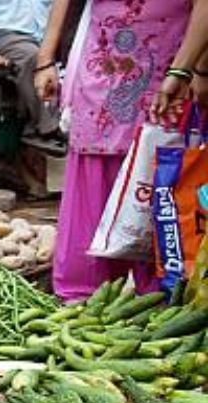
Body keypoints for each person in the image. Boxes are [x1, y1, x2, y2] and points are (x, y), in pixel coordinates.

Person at [34, 0, 190, 301]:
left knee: (158, 177)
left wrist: (186, 70)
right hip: (102, 75)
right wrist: (45, 60)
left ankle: (160, 294)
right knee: (94, 175)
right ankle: (84, 296)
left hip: (169, 75)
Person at [0, 0, 61, 141]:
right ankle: (51, 126)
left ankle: (66, 123)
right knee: (34, 58)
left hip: (42, 36)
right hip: (2, 34)